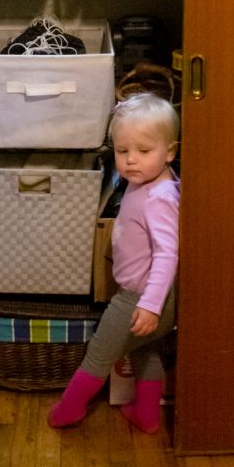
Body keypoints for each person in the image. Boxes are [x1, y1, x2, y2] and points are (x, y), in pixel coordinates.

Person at [48, 91, 180, 434]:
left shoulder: (160, 199)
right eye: (123, 151)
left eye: (143, 151)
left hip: (139, 298)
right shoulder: (148, 182)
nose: (131, 161)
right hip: (148, 299)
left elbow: (168, 253)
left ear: (170, 152)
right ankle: (147, 415)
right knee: (145, 351)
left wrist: (150, 306)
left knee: (100, 353)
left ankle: (69, 410)